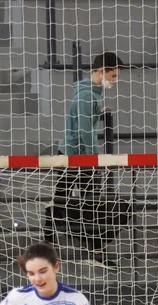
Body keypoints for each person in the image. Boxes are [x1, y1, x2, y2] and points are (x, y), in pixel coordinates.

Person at [49, 52, 128, 268]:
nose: (115, 80)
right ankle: (59, 246)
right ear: (101, 71)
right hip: (77, 156)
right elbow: (84, 131)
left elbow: (85, 121)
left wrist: (98, 114)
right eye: (113, 76)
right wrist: (94, 160)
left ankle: (91, 249)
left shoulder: (92, 93)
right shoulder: (86, 95)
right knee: (75, 202)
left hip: (78, 155)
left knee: (79, 201)